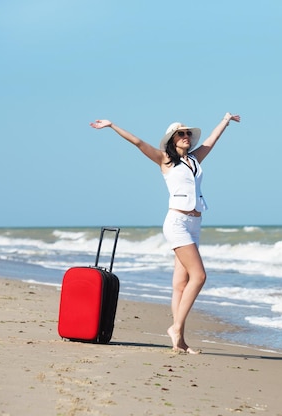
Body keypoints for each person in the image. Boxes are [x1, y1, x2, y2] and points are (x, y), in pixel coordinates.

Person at [90, 112, 241, 353]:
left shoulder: (194, 160)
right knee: (199, 276)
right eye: (181, 133)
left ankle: (179, 341)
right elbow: (139, 143)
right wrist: (112, 126)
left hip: (194, 224)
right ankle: (176, 327)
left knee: (180, 284)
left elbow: (211, 141)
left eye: (188, 134)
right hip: (177, 223)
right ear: (172, 139)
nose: (186, 136)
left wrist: (225, 121)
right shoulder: (164, 160)